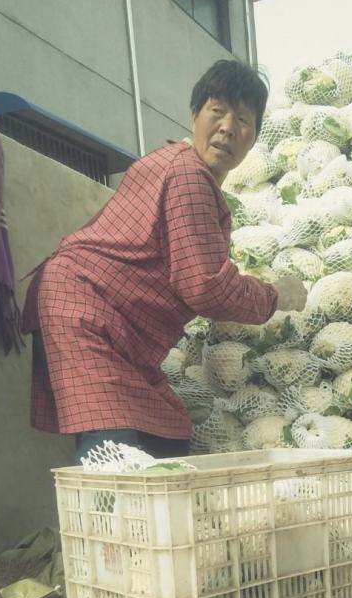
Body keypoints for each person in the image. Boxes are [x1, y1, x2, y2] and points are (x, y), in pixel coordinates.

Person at [22, 60, 306, 462]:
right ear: (194, 116)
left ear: (253, 138)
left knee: (168, 435)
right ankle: (108, 521)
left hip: (124, 331)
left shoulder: (190, 176)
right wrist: (276, 296)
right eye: (217, 111)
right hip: (84, 311)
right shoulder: (187, 175)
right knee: (114, 454)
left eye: (242, 119)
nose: (227, 127)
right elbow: (205, 286)